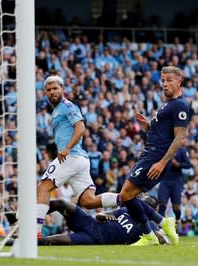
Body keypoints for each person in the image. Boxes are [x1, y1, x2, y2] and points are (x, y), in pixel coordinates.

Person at [36, 75, 119, 239]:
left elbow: (80, 128)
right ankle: (126, 197)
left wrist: (67, 148)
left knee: (43, 187)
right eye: (49, 90)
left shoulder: (67, 106)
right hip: (80, 160)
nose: (52, 92)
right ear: (45, 93)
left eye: (55, 89)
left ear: (63, 90)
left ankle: (35, 231)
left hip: (71, 157)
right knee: (88, 201)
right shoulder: (56, 111)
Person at [117, 66, 190, 246]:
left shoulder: (180, 105)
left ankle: (151, 233)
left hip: (155, 157)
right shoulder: (167, 104)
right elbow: (164, 133)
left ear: (178, 82)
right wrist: (148, 127)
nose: (164, 84)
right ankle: (162, 223)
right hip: (149, 154)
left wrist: (162, 162)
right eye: (163, 80)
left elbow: (180, 137)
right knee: (128, 195)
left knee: (126, 195)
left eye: (169, 80)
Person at [5, 196, 169, 246]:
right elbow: (103, 214)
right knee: (62, 203)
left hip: (97, 239)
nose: (140, 206)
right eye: (141, 203)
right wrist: (102, 215)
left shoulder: (151, 226)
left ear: (151, 211)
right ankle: (20, 216)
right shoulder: (126, 210)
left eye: (145, 205)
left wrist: (163, 235)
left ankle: (16, 242)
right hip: (91, 223)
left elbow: (162, 239)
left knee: (53, 241)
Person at [158, 146, 191, 220]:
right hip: (164, 180)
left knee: (176, 207)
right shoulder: (164, 147)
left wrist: (178, 164)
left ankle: (177, 220)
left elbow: (188, 164)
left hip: (176, 181)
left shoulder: (182, 150)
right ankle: (159, 226)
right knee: (162, 204)